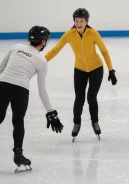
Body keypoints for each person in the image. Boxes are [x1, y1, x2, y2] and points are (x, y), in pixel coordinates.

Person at [0, 26, 63, 173]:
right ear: (42, 41)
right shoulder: (41, 61)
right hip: (20, 89)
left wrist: (6, 84)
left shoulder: (16, 47)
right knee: (18, 121)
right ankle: (18, 155)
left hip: (2, 84)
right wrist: (50, 111)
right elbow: (42, 92)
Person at [44, 8, 117, 142]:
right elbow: (55, 50)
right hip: (80, 69)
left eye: (81, 21)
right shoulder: (69, 34)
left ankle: (95, 122)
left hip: (96, 68)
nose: (79, 24)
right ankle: (77, 123)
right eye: (77, 21)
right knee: (79, 98)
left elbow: (104, 51)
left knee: (91, 97)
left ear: (86, 21)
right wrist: (42, 61)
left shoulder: (93, 33)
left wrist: (111, 70)